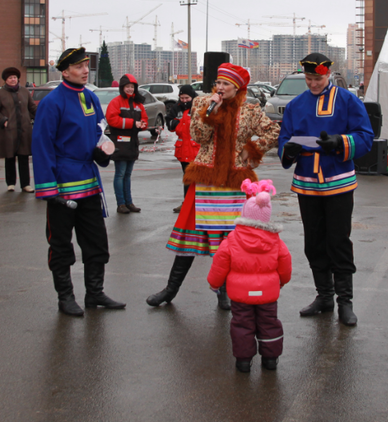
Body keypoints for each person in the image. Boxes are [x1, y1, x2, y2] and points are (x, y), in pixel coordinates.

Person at [146, 63, 280, 309]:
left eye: (225, 84)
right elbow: (199, 137)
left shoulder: (250, 111)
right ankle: (170, 290)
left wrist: (252, 150)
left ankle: (224, 292)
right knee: (189, 237)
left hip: (236, 183)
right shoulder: (201, 104)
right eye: (217, 83)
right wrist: (210, 112)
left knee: (233, 241)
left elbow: (274, 131)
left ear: (236, 87)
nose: (219, 88)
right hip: (206, 180)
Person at [277, 53, 374, 326]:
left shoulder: (348, 100)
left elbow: (365, 136)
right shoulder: (296, 105)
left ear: (328, 74)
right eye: (308, 79)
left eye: (317, 78)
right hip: (307, 184)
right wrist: (289, 150)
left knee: (339, 241)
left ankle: (346, 301)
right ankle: (324, 296)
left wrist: (340, 141)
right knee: (314, 242)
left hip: (339, 181)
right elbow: (284, 141)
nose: (312, 84)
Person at [32, 47, 126, 317]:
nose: (85, 70)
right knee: (61, 245)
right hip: (63, 186)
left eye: (86, 65)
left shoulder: (91, 98)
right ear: (64, 71)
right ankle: (65, 297)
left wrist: (103, 151)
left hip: (90, 184)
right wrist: (49, 189)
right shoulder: (52, 102)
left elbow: (100, 132)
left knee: (96, 242)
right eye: (78, 67)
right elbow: (42, 146)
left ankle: (94, 294)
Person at [207, 179, 292, 373]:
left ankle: (243, 361)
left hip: (240, 295)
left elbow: (219, 264)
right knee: (269, 323)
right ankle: (270, 359)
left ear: (244, 214)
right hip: (267, 294)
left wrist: (214, 284)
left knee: (241, 325)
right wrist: (283, 281)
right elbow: (285, 262)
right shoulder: (275, 241)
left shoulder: (232, 240)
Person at [0, 67, 38, 192]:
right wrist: (3, 120)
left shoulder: (24, 91)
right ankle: (10, 183)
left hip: (24, 129)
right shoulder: (1, 93)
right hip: (9, 130)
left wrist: (42, 116)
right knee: (10, 157)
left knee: (24, 157)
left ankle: (25, 184)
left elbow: (32, 108)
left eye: (15, 78)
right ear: (6, 80)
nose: (13, 80)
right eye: (10, 78)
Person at [105, 73, 147, 214]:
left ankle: (129, 202)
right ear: (122, 88)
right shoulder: (116, 102)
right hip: (120, 143)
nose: (130, 89)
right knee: (120, 174)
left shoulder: (138, 103)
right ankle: (121, 203)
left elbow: (145, 119)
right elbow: (112, 119)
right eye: (127, 87)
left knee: (127, 174)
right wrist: (133, 123)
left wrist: (142, 125)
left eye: (132, 87)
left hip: (132, 143)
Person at [166, 84, 200, 213]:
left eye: (187, 98)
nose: (184, 100)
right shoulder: (177, 108)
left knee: (196, 178)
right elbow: (169, 122)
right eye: (182, 98)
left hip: (196, 149)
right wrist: (179, 125)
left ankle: (195, 202)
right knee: (187, 178)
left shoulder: (199, 107)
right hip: (183, 150)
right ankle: (187, 202)